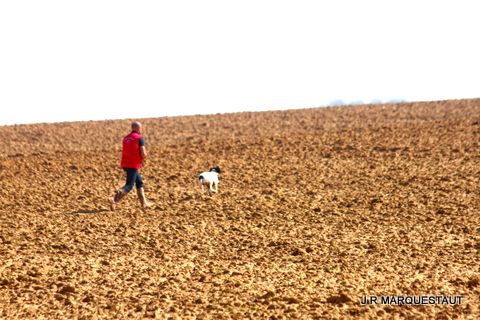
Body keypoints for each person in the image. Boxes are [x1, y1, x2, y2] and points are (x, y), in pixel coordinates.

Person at [110, 121, 151, 210]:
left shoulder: (125, 138)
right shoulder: (139, 138)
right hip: (133, 164)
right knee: (129, 185)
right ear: (138, 128)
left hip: (125, 163)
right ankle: (114, 199)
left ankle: (144, 203)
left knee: (139, 182)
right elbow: (143, 153)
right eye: (141, 128)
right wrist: (143, 159)